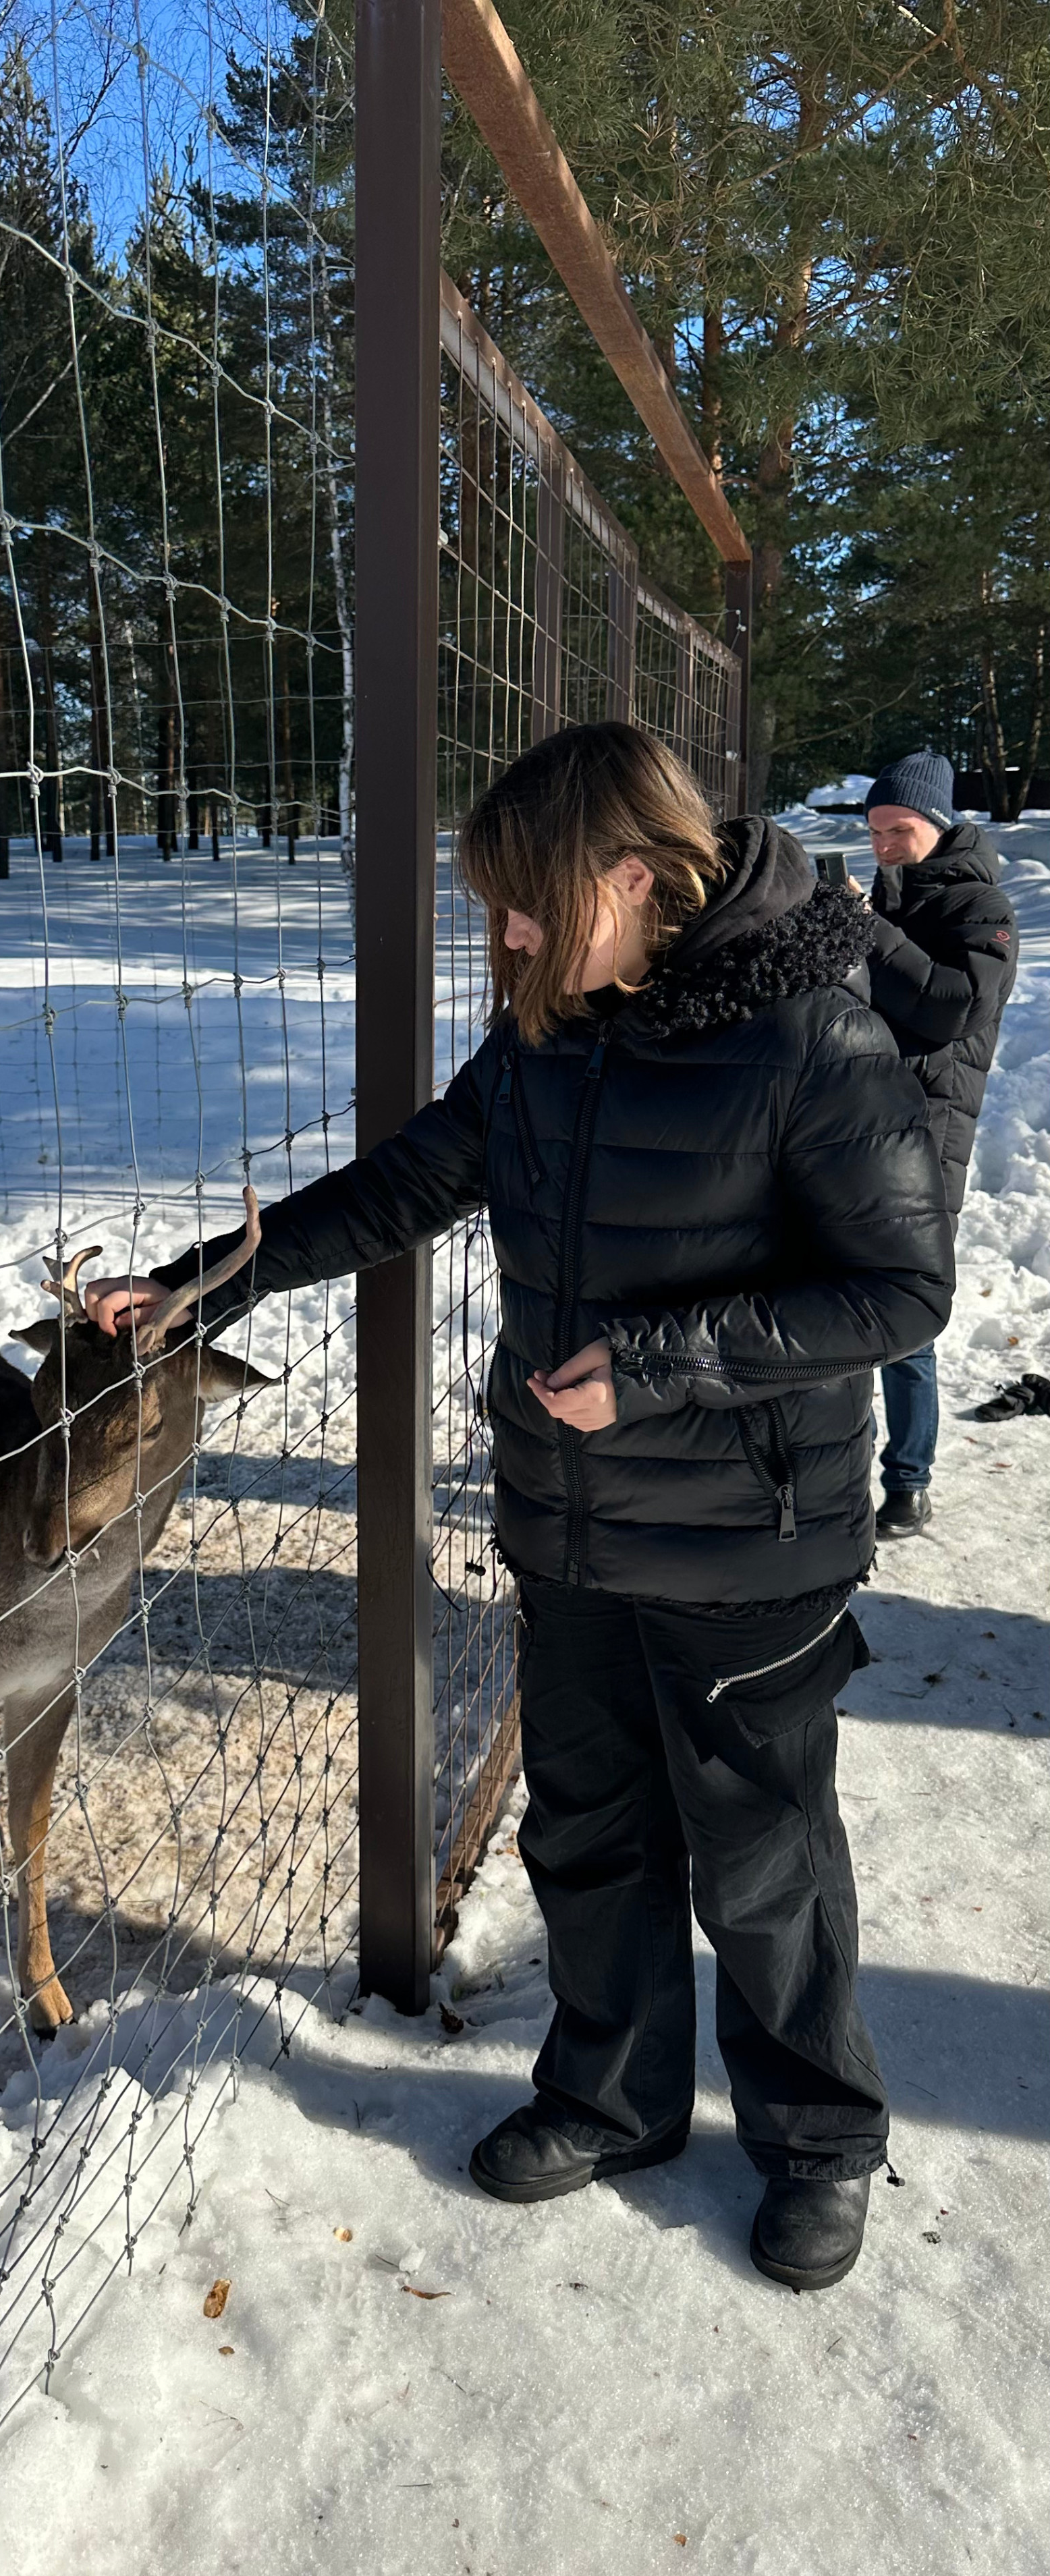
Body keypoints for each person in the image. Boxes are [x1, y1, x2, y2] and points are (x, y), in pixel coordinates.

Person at [86, 723, 954, 2291]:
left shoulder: (814, 1038)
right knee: (590, 1835)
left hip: (747, 1541)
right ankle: (612, 2100)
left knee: (761, 1860)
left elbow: (898, 1288)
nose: (504, 936)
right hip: (568, 1523)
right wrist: (201, 1280)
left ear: (630, 879)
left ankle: (817, 2135)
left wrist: (657, 1362)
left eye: (525, 904)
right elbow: (413, 1177)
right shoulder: (552, 1030)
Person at [856, 751, 1020, 1536]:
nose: (884, 844)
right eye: (875, 831)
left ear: (939, 822)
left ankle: (909, 1481)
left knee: (904, 1316)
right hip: (858, 1131)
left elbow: (949, 1008)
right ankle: (837, 1466)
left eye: (899, 829)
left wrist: (869, 933)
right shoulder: (894, 897)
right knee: (843, 1304)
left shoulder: (982, 906)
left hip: (926, 1140)